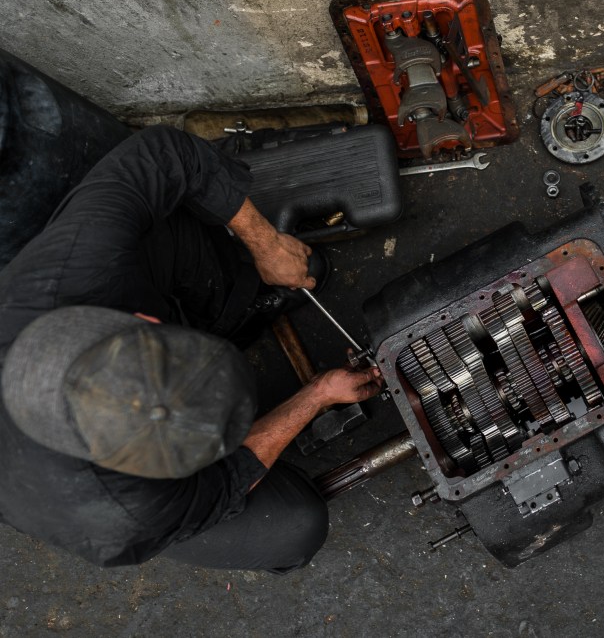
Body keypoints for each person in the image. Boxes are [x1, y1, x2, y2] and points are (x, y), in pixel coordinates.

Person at [0, 125, 383, 573]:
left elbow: (165, 153)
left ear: (142, 323)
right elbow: (227, 480)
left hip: (77, 306)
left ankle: (230, 302)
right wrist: (314, 397)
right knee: (294, 528)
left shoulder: (74, 267)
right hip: (62, 489)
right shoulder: (120, 514)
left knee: (164, 229)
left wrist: (267, 244)